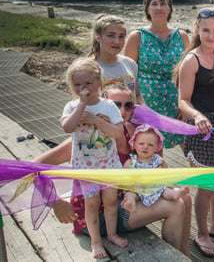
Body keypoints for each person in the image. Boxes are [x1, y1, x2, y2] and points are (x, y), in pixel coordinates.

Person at [35, 83, 193, 257]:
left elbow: (152, 163)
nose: (123, 111)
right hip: (96, 215)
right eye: (116, 104)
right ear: (104, 105)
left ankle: (183, 255)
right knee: (175, 207)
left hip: (124, 201)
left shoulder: (131, 131)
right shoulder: (86, 139)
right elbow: (34, 167)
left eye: (128, 105)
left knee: (185, 198)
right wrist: (55, 202)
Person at [174, 7, 214, 258]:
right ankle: (201, 232)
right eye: (206, 31)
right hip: (200, 127)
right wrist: (197, 115)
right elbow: (183, 101)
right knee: (205, 183)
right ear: (197, 30)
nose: (211, 36)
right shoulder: (191, 60)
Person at [40, 14, 143, 166]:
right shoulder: (88, 67)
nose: (117, 42)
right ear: (98, 37)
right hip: (92, 131)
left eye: (121, 36)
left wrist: (149, 117)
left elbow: (137, 95)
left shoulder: (130, 64)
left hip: (123, 127)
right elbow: (79, 101)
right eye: (111, 36)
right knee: (42, 162)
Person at [60, 57, 128, 258]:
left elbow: (118, 133)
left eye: (88, 84)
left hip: (109, 165)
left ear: (99, 83)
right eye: (78, 85)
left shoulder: (108, 106)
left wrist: (95, 120)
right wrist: (82, 105)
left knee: (109, 202)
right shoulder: (72, 107)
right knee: (91, 204)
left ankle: (113, 233)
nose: (83, 89)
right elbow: (67, 127)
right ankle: (96, 241)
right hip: (86, 168)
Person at [124, 0, 190, 150]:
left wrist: (188, 105)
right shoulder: (137, 37)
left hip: (176, 103)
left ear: (169, 8)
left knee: (190, 149)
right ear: (147, 9)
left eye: (163, 3)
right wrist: (136, 104)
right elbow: (128, 75)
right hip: (148, 105)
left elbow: (189, 73)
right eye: (154, 4)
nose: (159, 8)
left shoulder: (181, 36)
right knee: (151, 151)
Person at [121, 124, 190, 213]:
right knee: (130, 194)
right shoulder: (131, 161)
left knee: (165, 190)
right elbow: (123, 177)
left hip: (155, 187)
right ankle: (131, 204)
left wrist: (163, 169)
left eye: (150, 145)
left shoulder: (158, 160)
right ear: (134, 144)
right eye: (141, 143)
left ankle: (175, 194)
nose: (145, 147)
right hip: (137, 189)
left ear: (156, 147)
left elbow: (166, 174)